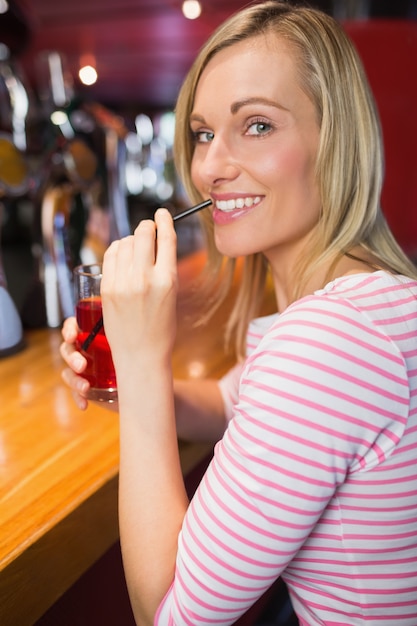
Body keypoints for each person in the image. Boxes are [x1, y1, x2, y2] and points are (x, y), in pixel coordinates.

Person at [60, 1, 417, 624]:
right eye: (203, 133)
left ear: (335, 140)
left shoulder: (328, 343)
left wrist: (143, 365)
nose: (210, 169)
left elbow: (167, 615)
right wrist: (132, 388)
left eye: (256, 125)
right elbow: (236, 402)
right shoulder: (369, 302)